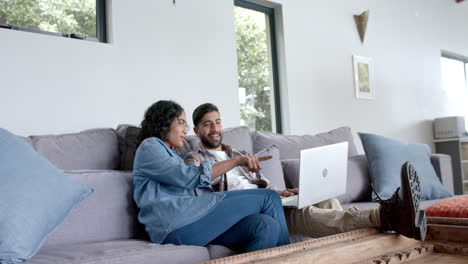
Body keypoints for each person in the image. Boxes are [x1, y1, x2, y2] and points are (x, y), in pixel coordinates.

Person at [184, 103, 427, 240]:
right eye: (207, 123)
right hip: (250, 212)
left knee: (327, 199)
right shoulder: (195, 158)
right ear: (196, 130)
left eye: (217, 122)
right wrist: (238, 164)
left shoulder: (236, 153)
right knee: (310, 215)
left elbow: (261, 185)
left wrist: (283, 192)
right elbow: (199, 179)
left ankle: (351, 248)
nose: (215, 128)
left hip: (271, 200)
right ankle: (388, 216)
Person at [132, 100, 290, 253]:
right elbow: (189, 178)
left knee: (266, 225)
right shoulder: (150, 146)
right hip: (175, 224)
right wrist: (236, 161)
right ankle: (292, 259)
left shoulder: (170, 155)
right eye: (180, 123)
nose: (185, 131)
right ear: (164, 122)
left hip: (191, 222)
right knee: (268, 198)